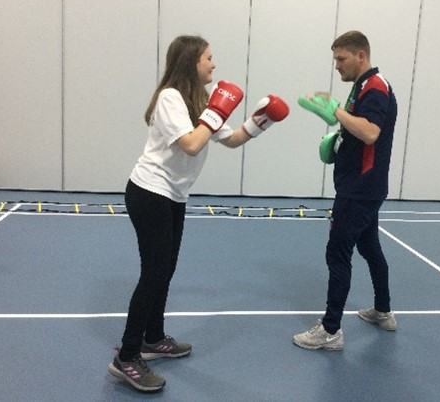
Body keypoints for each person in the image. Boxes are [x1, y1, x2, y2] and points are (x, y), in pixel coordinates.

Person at [108, 35, 289, 392]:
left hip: (173, 195)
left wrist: (261, 121)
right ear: (191, 61)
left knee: (166, 269)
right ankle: (126, 357)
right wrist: (216, 111)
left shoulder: (200, 101)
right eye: (208, 57)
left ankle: (153, 337)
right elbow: (191, 145)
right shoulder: (170, 98)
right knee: (154, 272)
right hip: (149, 192)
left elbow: (232, 139)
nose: (214, 64)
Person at [293, 30, 398, 351]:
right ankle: (383, 311)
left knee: (337, 253)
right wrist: (337, 139)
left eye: (341, 59)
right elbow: (356, 129)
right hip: (363, 185)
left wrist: (336, 111)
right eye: (335, 59)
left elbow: (370, 133)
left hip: (359, 189)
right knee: (369, 248)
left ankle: (330, 330)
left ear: (361, 56)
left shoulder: (376, 89)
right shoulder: (362, 87)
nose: (336, 65)